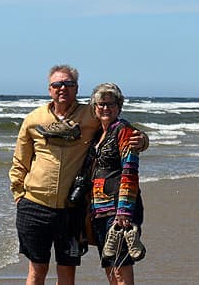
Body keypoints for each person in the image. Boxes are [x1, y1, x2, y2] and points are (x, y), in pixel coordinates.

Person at [9, 65, 148, 285]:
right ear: (49, 89)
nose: (62, 88)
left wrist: (142, 140)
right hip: (36, 206)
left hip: (74, 211)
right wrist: (19, 195)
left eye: (68, 84)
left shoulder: (91, 117)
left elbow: (124, 141)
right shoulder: (34, 119)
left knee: (75, 271)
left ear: (76, 88)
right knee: (37, 269)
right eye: (57, 84)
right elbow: (19, 162)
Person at [88, 83, 146, 285]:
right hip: (100, 210)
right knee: (110, 269)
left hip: (118, 211)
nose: (105, 108)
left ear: (119, 106)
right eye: (101, 104)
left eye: (110, 104)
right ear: (94, 107)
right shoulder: (98, 134)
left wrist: (124, 212)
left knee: (121, 272)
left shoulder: (124, 132)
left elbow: (130, 172)